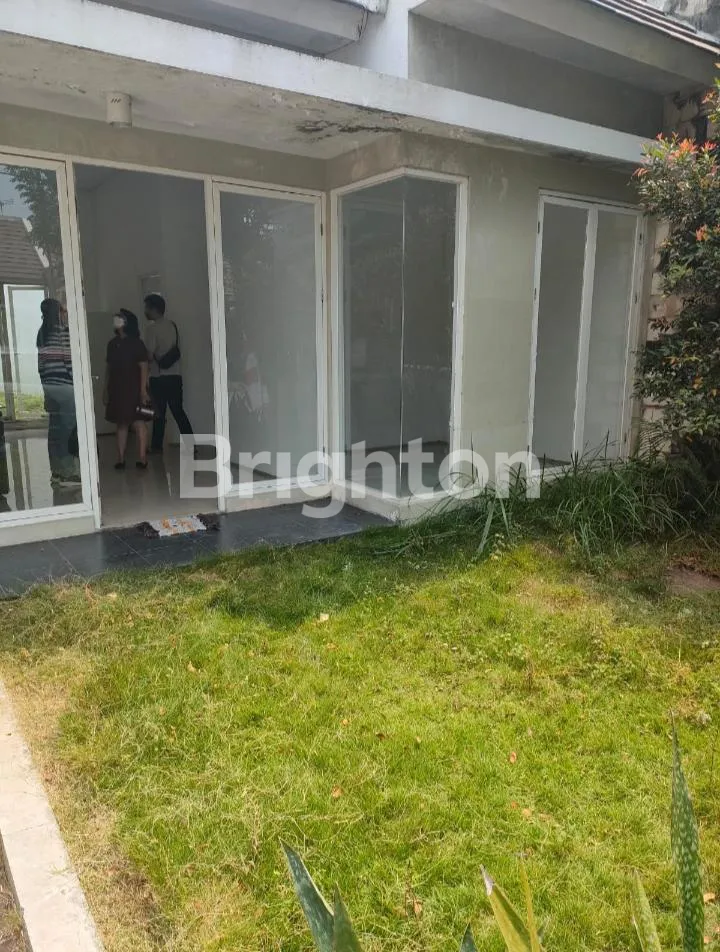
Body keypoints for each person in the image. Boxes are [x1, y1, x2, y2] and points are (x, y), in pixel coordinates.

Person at [36, 298, 80, 486]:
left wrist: (46, 389)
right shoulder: (64, 333)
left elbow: (41, 366)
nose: (65, 314)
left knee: (54, 431)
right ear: (58, 313)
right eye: (63, 311)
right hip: (66, 388)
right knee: (67, 430)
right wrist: (78, 384)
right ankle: (69, 474)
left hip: (50, 387)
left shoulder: (42, 333)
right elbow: (69, 362)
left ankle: (56, 472)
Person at [143, 293, 194, 454]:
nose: (145, 311)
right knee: (178, 411)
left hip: (159, 377)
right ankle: (191, 445)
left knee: (159, 414)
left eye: (147, 308)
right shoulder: (172, 325)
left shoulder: (152, 329)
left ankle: (156, 446)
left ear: (154, 309)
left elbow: (149, 355)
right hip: (175, 376)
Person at [103, 309, 150, 470]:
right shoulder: (112, 344)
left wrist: (143, 391)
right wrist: (105, 389)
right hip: (117, 389)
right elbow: (109, 368)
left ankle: (142, 458)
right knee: (121, 423)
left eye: (120, 318)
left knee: (139, 421)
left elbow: (144, 367)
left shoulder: (137, 343)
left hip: (135, 389)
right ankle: (121, 458)